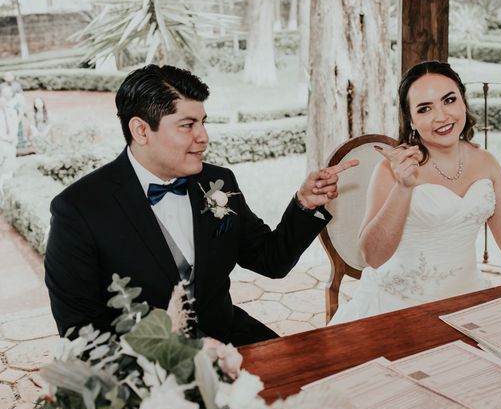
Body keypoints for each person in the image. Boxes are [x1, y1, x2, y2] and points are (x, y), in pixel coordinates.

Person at [44, 64, 357, 345]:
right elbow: (81, 335)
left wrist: (304, 205)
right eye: (187, 125)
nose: (203, 136)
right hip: (145, 370)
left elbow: (271, 260)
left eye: (203, 122)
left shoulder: (218, 183)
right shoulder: (78, 210)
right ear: (141, 130)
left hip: (229, 339)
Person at [330, 61, 501, 325]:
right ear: (411, 120)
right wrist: (403, 188)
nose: (442, 116)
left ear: (463, 102)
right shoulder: (391, 170)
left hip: (468, 301)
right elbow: (373, 256)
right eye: (425, 109)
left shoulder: (486, 163)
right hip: (399, 309)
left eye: (449, 100)